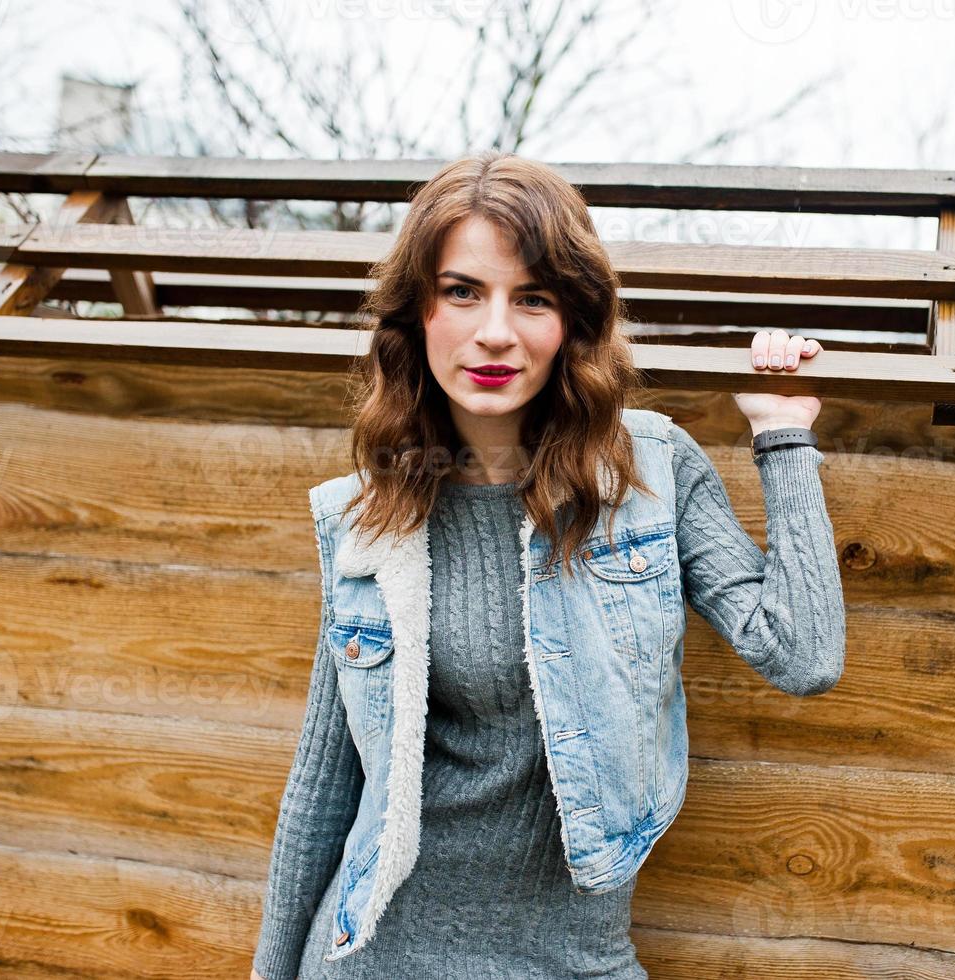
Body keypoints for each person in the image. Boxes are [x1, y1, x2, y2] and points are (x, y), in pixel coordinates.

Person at [251, 151, 846, 980]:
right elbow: (320, 794)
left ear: (572, 320)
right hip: (376, 954)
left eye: (531, 298)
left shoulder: (646, 471)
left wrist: (782, 437)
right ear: (417, 314)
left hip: (575, 957)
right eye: (462, 292)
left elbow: (802, 655)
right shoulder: (370, 516)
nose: (495, 331)